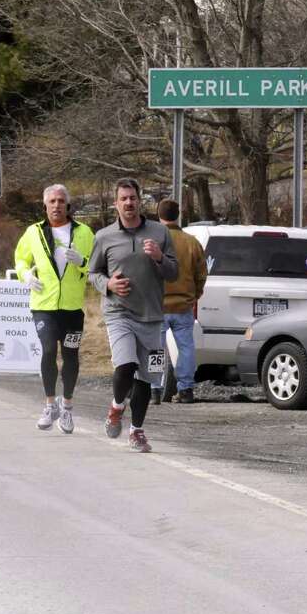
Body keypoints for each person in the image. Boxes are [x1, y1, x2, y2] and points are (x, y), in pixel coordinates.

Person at [87, 178, 178, 453]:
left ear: (140, 201)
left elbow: (174, 273)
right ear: (116, 203)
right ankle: (116, 407)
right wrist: (108, 285)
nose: (128, 202)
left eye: (133, 198)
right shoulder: (104, 236)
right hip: (119, 313)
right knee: (125, 365)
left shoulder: (160, 232)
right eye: (123, 198)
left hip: (152, 317)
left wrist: (160, 257)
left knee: (147, 378)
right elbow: (93, 273)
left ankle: (136, 431)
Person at [13, 184, 95, 433]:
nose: (57, 205)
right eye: (52, 201)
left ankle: (67, 407)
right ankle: (50, 404)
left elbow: (97, 267)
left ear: (67, 205)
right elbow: (20, 259)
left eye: (61, 201)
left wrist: (82, 262)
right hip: (44, 305)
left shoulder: (84, 233)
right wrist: (25, 275)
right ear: (45, 206)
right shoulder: (34, 232)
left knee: (70, 355)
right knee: (48, 350)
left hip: (71, 307)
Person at [154, 198, 207, 405]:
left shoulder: (152, 241)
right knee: (186, 347)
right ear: (178, 215)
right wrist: (196, 294)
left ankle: (155, 390)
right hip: (183, 305)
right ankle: (185, 389)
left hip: (157, 305)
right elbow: (201, 273)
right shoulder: (191, 242)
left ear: (158, 216)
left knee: (155, 350)